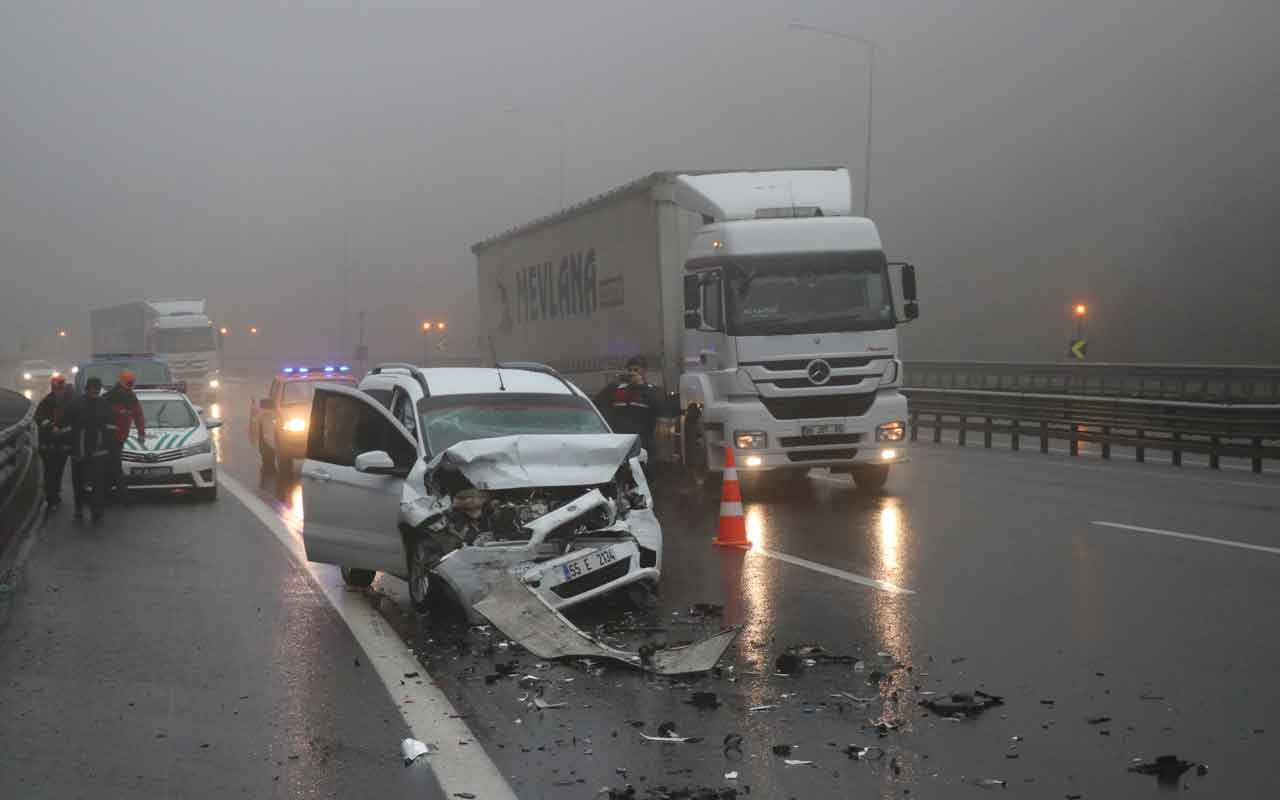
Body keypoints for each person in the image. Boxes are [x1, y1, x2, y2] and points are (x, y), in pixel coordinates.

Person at [65, 377, 113, 521]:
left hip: (97, 451)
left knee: (97, 482)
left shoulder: (103, 404)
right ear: (87, 388)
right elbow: (67, 423)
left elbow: (110, 423)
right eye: (93, 388)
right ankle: (79, 508)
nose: (95, 391)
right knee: (78, 482)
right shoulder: (76, 404)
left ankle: (96, 509)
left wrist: (108, 445)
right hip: (78, 449)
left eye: (97, 388)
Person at [597, 355, 661, 457]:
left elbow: (658, 406)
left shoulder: (652, 390)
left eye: (636, 370)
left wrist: (641, 386)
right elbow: (598, 402)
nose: (632, 373)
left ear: (644, 372)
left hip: (642, 444)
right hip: (620, 443)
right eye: (630, 370)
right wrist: (615, 382)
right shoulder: (617, 389)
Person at [103, 371, 146, 507]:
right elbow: (102, 413)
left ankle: (107, 493)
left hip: (120, 436)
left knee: (112, 466)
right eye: (127, 386)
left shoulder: (130, 397)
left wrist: (141, 433)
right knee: (115, 466)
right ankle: (122, 496)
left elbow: (138, 415)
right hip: (109, 436)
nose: (128, 389)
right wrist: (118, 413)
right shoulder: (110, 397)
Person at [34, 374, 74, 508]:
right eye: (57, 389)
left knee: (58, 470)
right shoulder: (46, 402)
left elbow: (74, 421)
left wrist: (66, 433)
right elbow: (39, 418)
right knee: (50, 471)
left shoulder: (70, 403)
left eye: (61, 389)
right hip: (48, 444)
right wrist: (51, 427)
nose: (59, 392)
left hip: (62, 444)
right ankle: (51, 496)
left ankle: (55, 493)